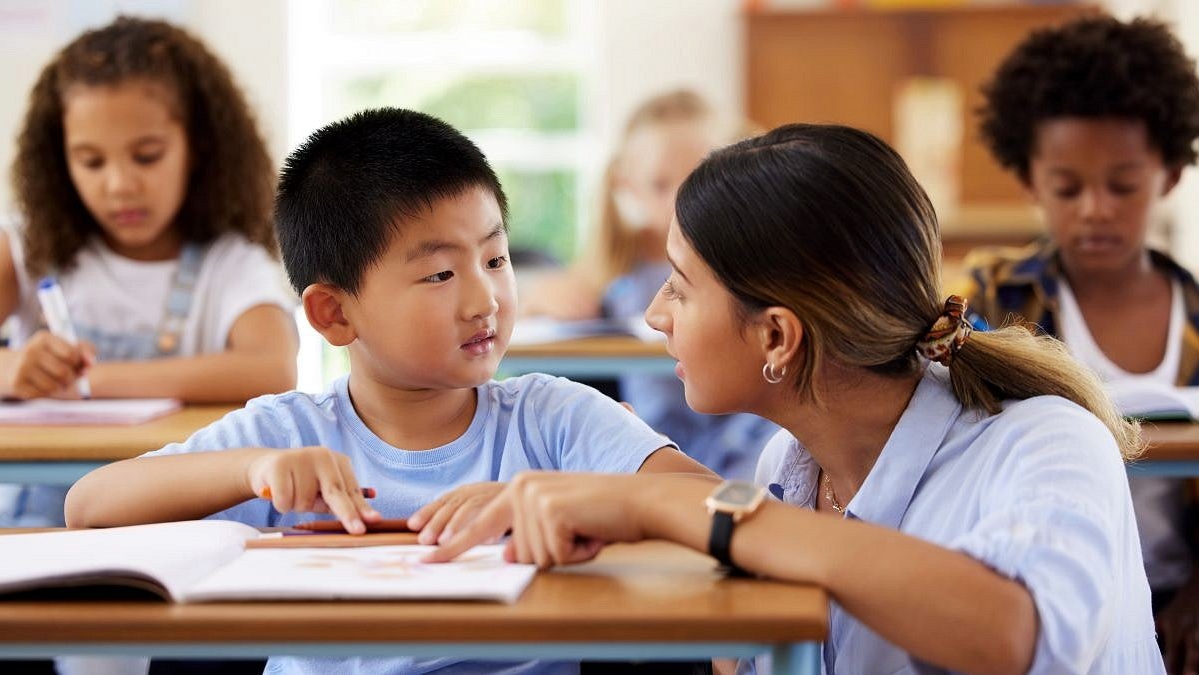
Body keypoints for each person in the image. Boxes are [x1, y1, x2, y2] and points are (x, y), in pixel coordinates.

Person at [430, 123, 1164, 674]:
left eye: (680, 287)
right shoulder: (796, 463)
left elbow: (1018, 634)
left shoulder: (1047, 441)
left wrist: (665, 504)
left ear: (778, 336)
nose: (655, 313)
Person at [66, 107, 713, 675]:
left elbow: (719, 506)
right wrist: (251, 469)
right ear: (333, 314)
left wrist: (574, 500)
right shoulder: (289, 435)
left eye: (495, 258)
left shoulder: (554, 417)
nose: (484, 298)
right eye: (438, 273)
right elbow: (88, 507)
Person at [961, 15, 1199, 673]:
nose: (1095, 207)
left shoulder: (1196, 318)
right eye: (1067, 187)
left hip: (1179, 599)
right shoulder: (994, 302)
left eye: (1122, 185)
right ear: (1030, 180)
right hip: (1038, 588)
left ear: (1170, 175)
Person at [0, 16, 297, 529]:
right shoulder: (24, 248)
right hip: (34, 518)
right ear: (57, 161)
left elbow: (272, 368)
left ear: (198, 148)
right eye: (91, 162)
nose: (119, 185)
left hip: (168, 517)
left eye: (147, 156)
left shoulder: (230, 264)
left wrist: (90, 383)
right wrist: (8, 370)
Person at [524, 90, 777, 479]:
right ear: (628, 187)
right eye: (660, 185)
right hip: (658, 452)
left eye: (699, 179)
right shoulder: (617, 268)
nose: (682, 202)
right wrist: (540, 298)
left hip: (755, 448)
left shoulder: (762, 259)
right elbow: (542, 309)